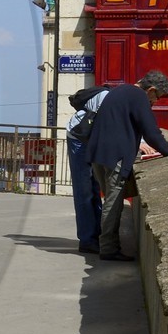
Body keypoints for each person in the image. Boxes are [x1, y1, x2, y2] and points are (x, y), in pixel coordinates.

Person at [85, 69, 168, 261]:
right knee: (114, 202)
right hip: (116, 155)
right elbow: (152, 132)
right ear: (151, 89)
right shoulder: (139, 97)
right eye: (157, 97)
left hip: (98, 153)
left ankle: (108, 245)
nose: (156, 102)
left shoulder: (121, 90)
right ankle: (109, 249)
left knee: (109, 200)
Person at [64, 83, 110, 253]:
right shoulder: (108, 98)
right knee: (84, 189)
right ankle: (87, 239)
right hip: (79, 138)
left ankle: (94, 235)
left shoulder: (119, 97)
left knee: (94, 186)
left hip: (88, 138)